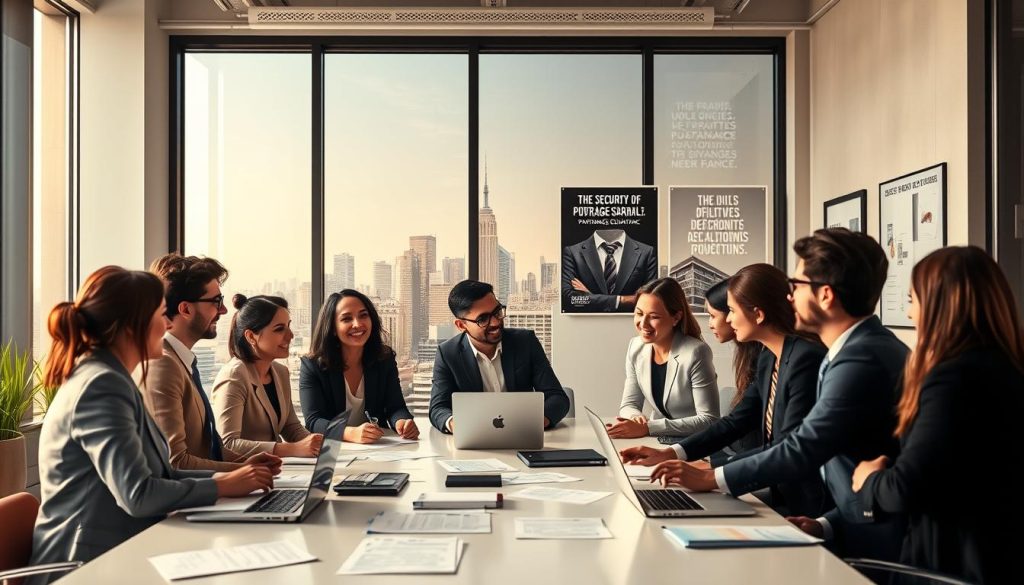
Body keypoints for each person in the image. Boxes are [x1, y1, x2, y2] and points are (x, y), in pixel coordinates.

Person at [641, 228, 908, 561]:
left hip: (873, 542)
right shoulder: (853, 350)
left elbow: (802, 447)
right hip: (846, 521)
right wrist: (825, 525)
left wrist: (712, 476)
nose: (789, 296)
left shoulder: (859, 357)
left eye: (796, 286)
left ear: (825, 295)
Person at [29, 267, 275, 583]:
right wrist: (223, 485)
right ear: (134, 325)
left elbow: (162, 475)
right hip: (84, 566)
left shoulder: (114, 378)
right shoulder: (101, 385)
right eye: (161, 314)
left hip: (121, 550)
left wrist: (235, 476)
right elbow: (138, 494)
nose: (168, 324)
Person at [851, 246, 1024, 583]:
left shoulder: (953, 379)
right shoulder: (1008, 368)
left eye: (913, 300)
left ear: (938, 305)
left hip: (950, 567)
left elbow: (906, 488)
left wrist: (868, 480)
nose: (910, 313)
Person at [620, 265, 829, 517]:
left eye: (730, 311)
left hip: (808, 504)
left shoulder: (805, 359)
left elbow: (787, 446)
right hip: (779, 490)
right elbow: (735, 422)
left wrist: (712, 473)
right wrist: (671, 452)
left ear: (758, 315)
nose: (726, 319)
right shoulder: (768, 358)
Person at [142, 253, 279, 472]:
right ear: (186, 309)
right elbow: (176, 462)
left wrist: (244, 464)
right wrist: (240, 472)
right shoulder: (162, 365)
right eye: (216, 302)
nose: (224, 310)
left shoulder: (182, 361)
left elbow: (209, 446)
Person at [428, 280, 570, 433]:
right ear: (462, 325)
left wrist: (536, 421)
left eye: (497, 312)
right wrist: (456, 424)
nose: (496, 322)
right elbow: (438, 408)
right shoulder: (448, 353)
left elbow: (557, 398)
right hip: (475, 440)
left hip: (523, 436)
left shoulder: (525, 342)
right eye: (483, 319)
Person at [300, 289, 418, 443]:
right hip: (333, 451)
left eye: (363, 315)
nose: (357, 324)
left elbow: (395, 407)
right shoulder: (312, 365)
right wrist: (350, 433)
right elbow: (314, 421)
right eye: (346, 319)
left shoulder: (384, 359)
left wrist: (402, 422)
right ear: (333, 328)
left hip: (378, 448)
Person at [607, 277, 719, 438]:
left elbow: (709, 420)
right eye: (639, 313)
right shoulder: (636, 347)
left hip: (695, 444)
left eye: (654, 317)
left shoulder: (696, 352)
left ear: (676, 318)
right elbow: (629, 405)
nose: (643, 323)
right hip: (658, 440)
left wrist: (649, 428)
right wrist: (635, 418)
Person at [212, 294, 323, 458]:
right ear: (251, 337)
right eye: (279, 329)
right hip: (244, 473)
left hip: (277, 469)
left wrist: (322, 445)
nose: (291, 335)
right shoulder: (234, 376)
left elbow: (290, 426)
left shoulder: (280, 372)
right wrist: (290, 449)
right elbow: (228, 444)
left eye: (289, 326)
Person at [705, 278, 761, 454]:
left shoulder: (763, 358)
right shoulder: (749, 353)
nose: (709, 324)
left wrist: (714, 467)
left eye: (713, 316)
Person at [561, 228, 658, 313]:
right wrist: (621, 300)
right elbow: (569, 298)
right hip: (587, 325)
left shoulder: (647, 252)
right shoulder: (573, 252)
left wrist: (591, 296)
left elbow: (651, 299)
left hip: (629, 324)